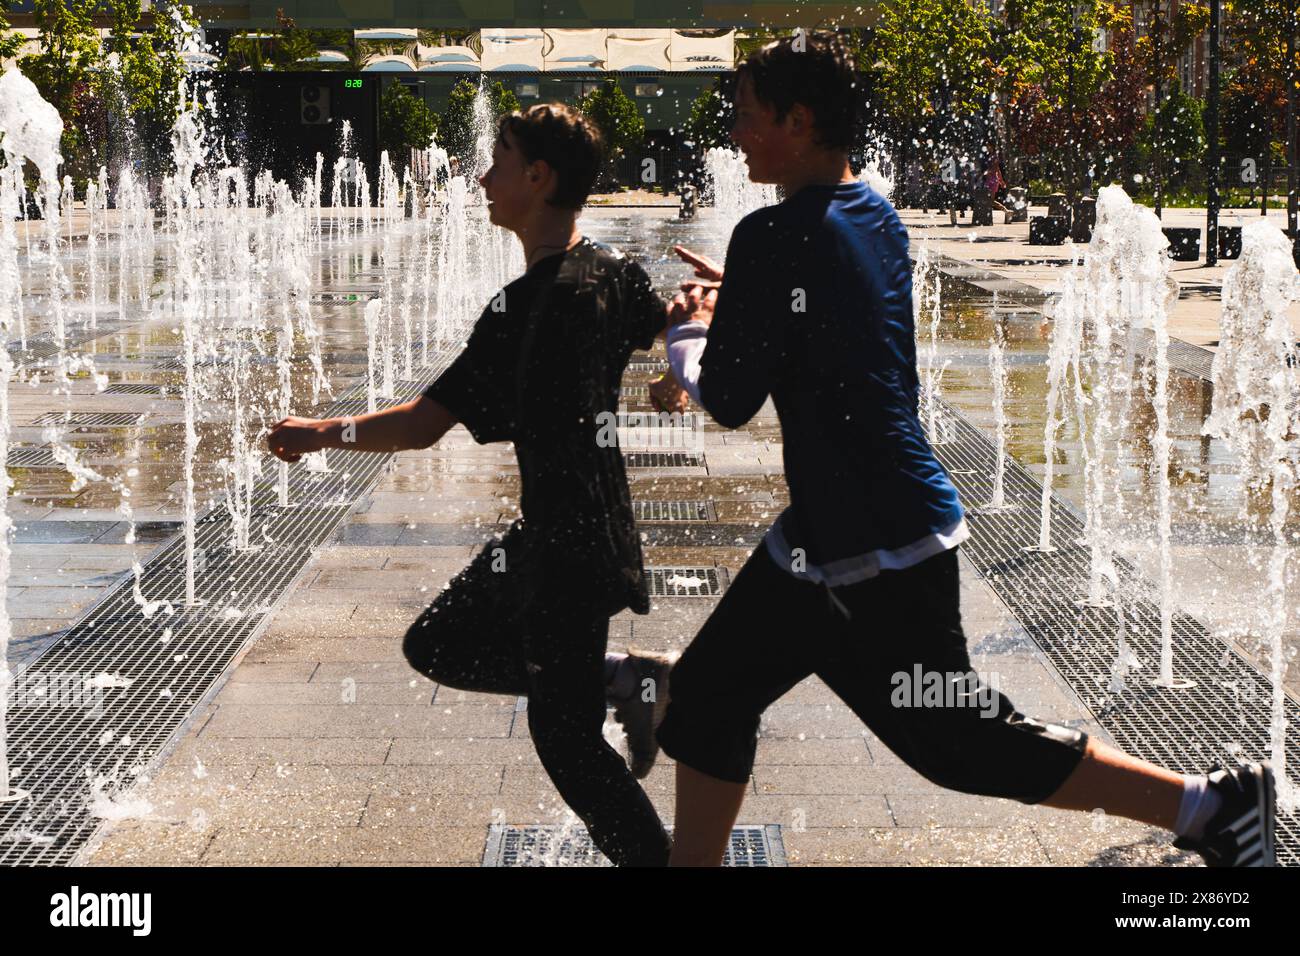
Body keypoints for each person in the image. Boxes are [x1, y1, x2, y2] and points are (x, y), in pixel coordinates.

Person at [641, 32, 1275, 868]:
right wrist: (750, 298)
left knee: (957, 742)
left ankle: (1212, 806)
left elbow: (727, 396)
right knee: (712, 700)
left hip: (874, 543)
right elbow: (829, 313)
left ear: (798, 121)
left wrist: (691, 329)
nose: (737, 134)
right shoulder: (870, 211)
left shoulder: (774, 237)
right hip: (837, 532)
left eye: (749, 116)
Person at [268, 103, 674, 867]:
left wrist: (320, 433)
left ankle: (643, 772)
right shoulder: (611, 272)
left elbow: (423, 424)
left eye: (500, 159)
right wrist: (677, 381)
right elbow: (671, 337)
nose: (483, 177)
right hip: (588, 535)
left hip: (562, 548)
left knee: (557, 735)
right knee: (460, 657)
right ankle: (625, 680)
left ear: (538, 176)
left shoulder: (522, 309)